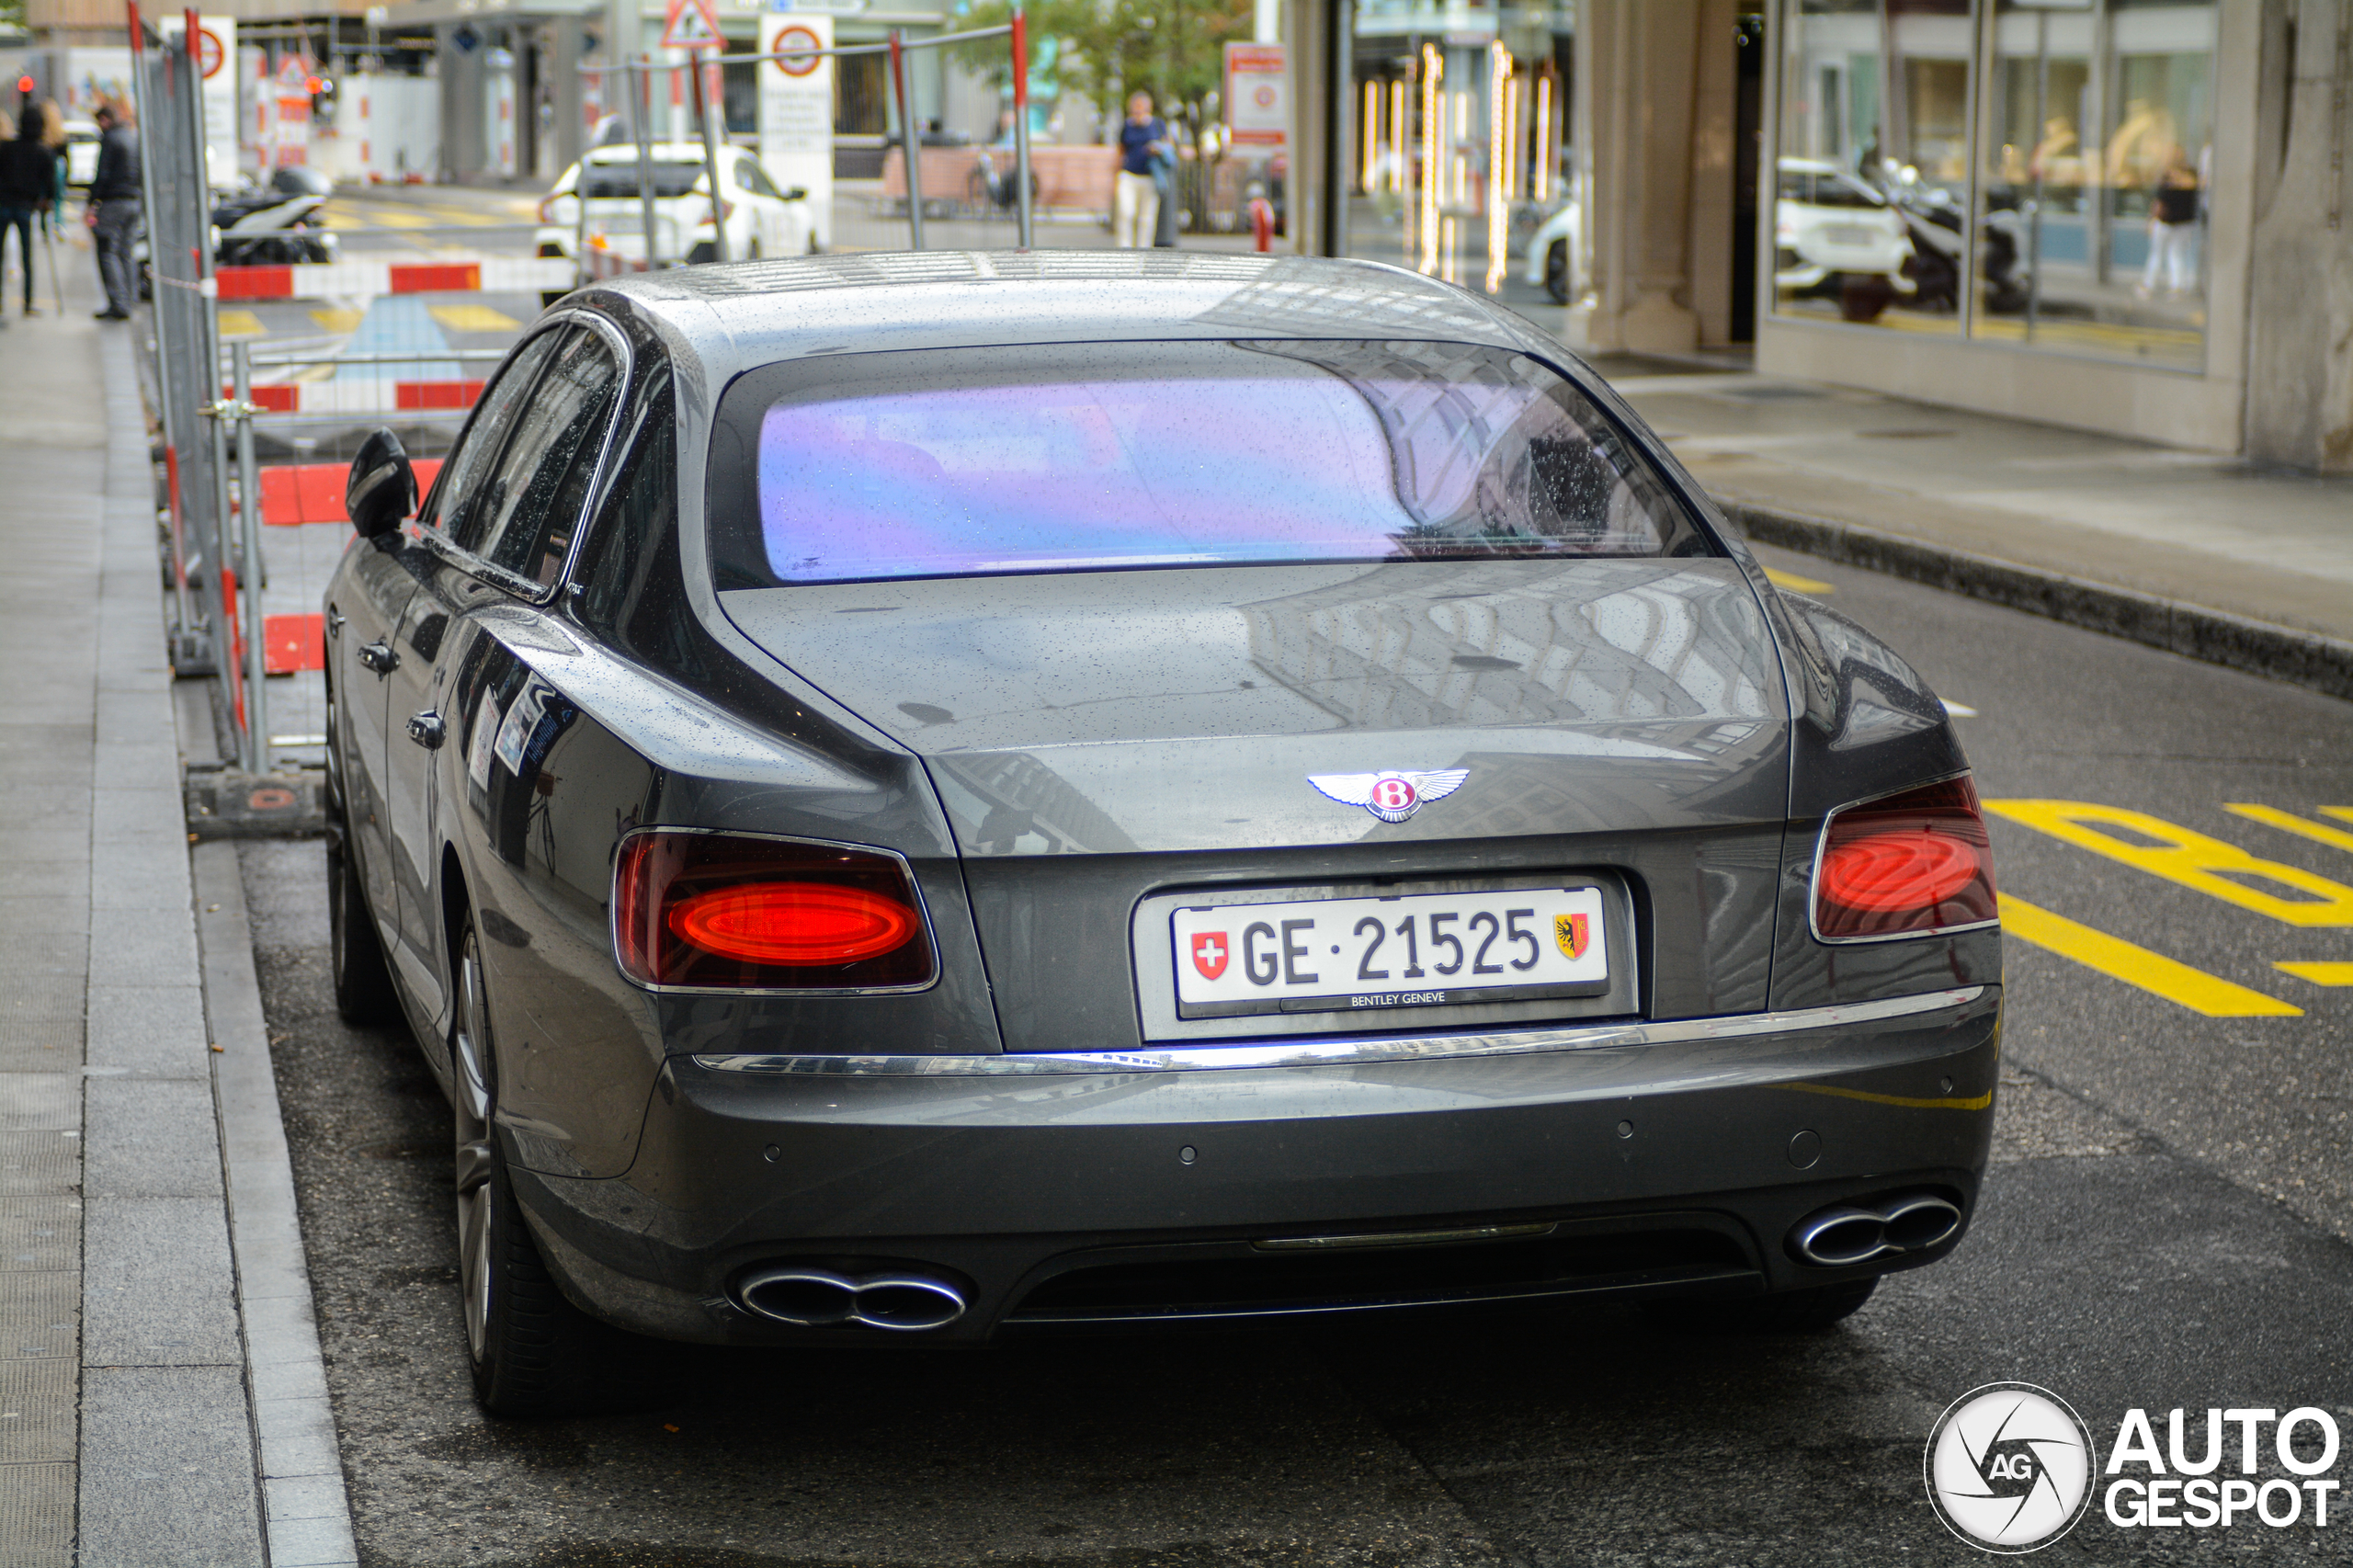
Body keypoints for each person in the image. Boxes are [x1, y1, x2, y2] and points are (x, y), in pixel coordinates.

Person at [86, 98, 142, 322]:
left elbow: (103, 173)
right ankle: (130, 299)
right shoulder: (132, 136)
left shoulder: (110, 139)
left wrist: (92, 203)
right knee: (126, 252)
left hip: (113, 203)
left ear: (104, 119)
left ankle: (117, 303)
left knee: (107, 251)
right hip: (134, 201)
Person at [0, 104, 56, 321]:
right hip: (25, 206)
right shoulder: (43, 152)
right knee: (27, 256)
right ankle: (28, 302)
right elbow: (49, 184)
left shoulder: (6, 148)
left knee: (1, 255)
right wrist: (46, 201)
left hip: (4, 203)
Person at [2140, 142, 2200, 298]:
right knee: (2159, 254)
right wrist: (2152, 219)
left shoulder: (2188, 175)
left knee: (2174, 254)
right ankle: (2151, 285)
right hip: (2168, 222)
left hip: (2182, 223)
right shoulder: (2167, 175)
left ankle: (2175, 286)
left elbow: (2161, 201)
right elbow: (2159, 202)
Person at [1113, 91, 1166, 249]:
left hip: (1150, 176)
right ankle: (1125, 248)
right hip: (1129, 175)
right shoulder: (1127, 126)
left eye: (1141, 108)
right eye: (1135, 108)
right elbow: (1120, 150)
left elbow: (1167, 145)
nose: (1137, 112)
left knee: (1146, 217)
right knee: (1126, 212)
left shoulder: (1156, 124)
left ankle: (1144, 249)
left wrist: (1157, 149)